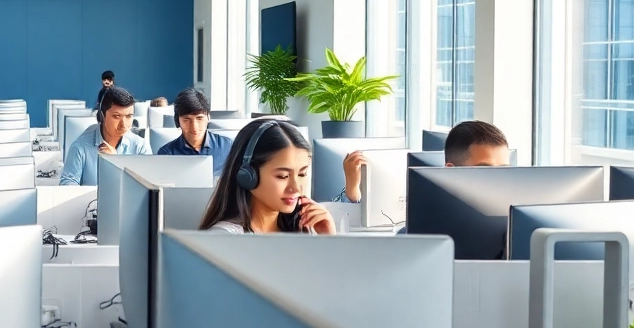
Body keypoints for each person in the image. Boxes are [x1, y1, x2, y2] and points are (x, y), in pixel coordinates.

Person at [199, 119, 335, 235]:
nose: (296, 188)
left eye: (302, 174)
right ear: (247, 176)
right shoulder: (225, 237)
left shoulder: (304, 229)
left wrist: (328, 239)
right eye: (283, 176)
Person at [337, 120, 510, 204]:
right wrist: (353, 191)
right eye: (484, 169)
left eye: (503, 170)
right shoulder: (425, 220)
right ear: (451, 170)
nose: (497, 179)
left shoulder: (513, 216)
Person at [60, 86, 150, 187]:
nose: (124, 125)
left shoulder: (141, 147)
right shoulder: (80, 146)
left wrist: (117, 161)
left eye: (129, 116)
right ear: (102, 116)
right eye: (116, 116)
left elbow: (147, 188)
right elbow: (67, 185)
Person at [157, 88, 233, 176]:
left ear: (208, 118)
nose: (194, 127)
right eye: (187, 119)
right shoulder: (167, 153)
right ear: (177, 121)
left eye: (199, 118)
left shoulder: (228, 146)